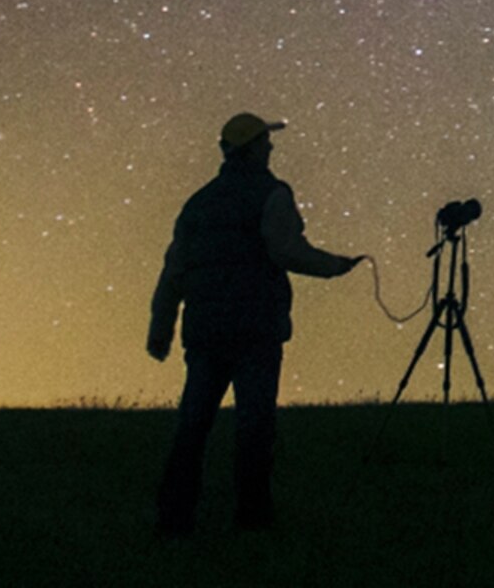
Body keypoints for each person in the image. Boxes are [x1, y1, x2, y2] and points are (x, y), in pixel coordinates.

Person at [147, 111, 363, 535]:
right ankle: (252, 518)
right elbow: (287, 250)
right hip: (255, 329)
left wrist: (161, 329)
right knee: (255, 426)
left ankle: (174, 517)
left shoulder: (198, 203)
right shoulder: (271, 194)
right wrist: (335, 266)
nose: (271, 147)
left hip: (206, 330)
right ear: (252, 149)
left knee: (193, 425)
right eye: (265, 142)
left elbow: (174, 271)